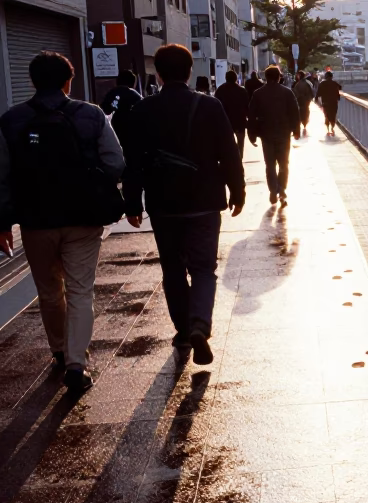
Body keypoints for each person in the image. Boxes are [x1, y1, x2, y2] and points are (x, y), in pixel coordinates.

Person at [0, 52, 126, 392]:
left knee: (49, 291)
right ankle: (76, 363)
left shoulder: (11, 120)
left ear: (32, 81)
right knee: (81, 290)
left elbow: (2, 177)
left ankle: (58, 350)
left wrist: (3, 223)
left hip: (35, 219)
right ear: (68, 81)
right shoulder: (91, 115)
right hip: (83, 217)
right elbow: (115, 162)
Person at [122, 44, 244, 366]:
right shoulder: (209, 106)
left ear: (158, 74)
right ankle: (200, 324)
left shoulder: (143, 111)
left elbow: (133, 161)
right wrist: (238, 190)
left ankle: (183, 330)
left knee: (173, 269)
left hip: (164, 205)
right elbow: (229, 153)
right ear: (190, 71)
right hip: (204, 202)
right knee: (204, 268)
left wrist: (131, 201)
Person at [247, 65, 300, 205]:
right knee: (284, 163)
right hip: (283, 134)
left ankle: (272, 190)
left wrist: (251, 134)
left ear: (265, 77)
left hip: (266, 135)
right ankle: (282, 189)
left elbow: (251, 115)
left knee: (270, 165)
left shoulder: (258, 93)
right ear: (278, 77)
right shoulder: (287, 93)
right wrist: (296, 130)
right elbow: (295, 112)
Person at [100, 69, 143, 145]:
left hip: (116, 130)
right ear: (133, 83)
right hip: (134, 132)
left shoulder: (112, 92)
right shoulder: (135, 95)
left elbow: (104, 110)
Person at [214, 70, 250, 160]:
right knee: (240, 143)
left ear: (226, 78)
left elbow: (216, 106)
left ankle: (228, 160)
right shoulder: (242, 90)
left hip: (225, 122)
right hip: (240, 121)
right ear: (236, 78)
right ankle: (239, 159)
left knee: (227, 143)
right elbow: (247, 106)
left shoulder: (220, 90)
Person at [316, 71, 342, 137]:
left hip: (325, 102)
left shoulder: (322, 83)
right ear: (331, 77)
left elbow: (318, 93)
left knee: (326, 115)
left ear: (325, 76)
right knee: (333, 115)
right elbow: (340, 87)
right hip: (334, 102)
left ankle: (327, 130)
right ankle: (332, 128)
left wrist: (317, 100)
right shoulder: (334, 83)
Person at [291, 71, 314, 137]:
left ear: (300, 75)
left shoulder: (298, 84)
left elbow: (295, 93)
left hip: (300, 101)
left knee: (300, 113)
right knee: (306, 111)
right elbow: (312, 93)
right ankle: (305, 124)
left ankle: (302, 124)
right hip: (307, 101)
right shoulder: (308, 83)